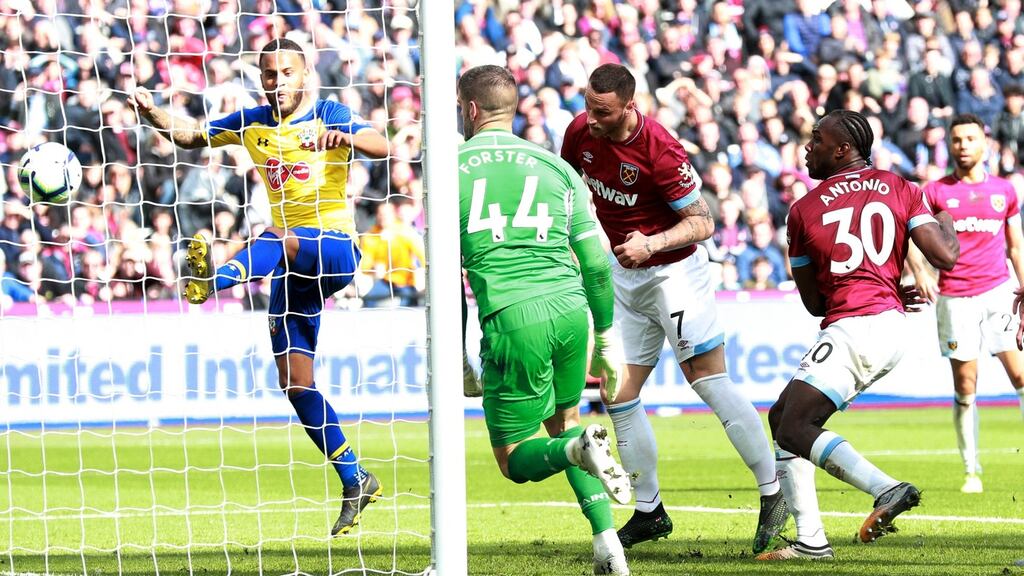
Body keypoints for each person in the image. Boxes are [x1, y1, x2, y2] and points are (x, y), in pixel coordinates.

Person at [127, 38, 391, 536]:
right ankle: (356, 477)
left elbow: (383, 143)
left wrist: (345, 139)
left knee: (279, 236)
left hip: (333, 247)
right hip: (291, 269)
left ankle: (214, 279)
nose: (278, 83)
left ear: (304, 73)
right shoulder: (252, 122)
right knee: (295, 383)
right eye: (270, 75)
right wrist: (152, 112)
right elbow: (191, 137)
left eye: (286, 73)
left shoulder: (330, 111)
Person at [560, 63, 786, 554]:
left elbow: (703, 222)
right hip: (625, 276)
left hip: (674, 274)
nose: (591, 119)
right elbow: (571, 187)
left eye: (602, 111)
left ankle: (774, 493)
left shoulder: (660, 149)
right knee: (617, 391)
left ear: (628, 105)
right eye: (587, 106)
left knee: (707, 380)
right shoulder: (580, 131)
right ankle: (649, 511)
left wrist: (653, 243)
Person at [756, 110, 959, 560]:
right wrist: (946, 216)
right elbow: (944, 255)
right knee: (782, 418)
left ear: (842, 149)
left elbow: (814, 304)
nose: (807, 147)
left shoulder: (802, 211)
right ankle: (810, 541)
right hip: (886, 323)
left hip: (855, 326)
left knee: (794, 426)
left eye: (816, 140)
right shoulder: (901, 188)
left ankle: (885, 489)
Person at [458, 64, 633, 575]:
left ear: (469, 110)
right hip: (572, 308)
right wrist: (606, 336)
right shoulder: (556, 168)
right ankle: (609, 547)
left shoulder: (451, 168)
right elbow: (597, 264)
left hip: (514, 314)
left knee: (516, 458)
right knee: (565, 423)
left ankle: (580, 452)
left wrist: (460, 357)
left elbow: (448, 280)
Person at [907, 113, 1024, 494]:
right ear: (951, 145)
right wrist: (921, 271)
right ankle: (971, 469)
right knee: (966, 383)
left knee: (1021, 377)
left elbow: (1015, 244)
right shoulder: (937, 192)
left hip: (997, 293)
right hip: (955, 296)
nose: (963, 146)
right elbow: (909, 231)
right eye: (957, 140)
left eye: (970, 139)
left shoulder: (1004, 190)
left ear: (984, 143)